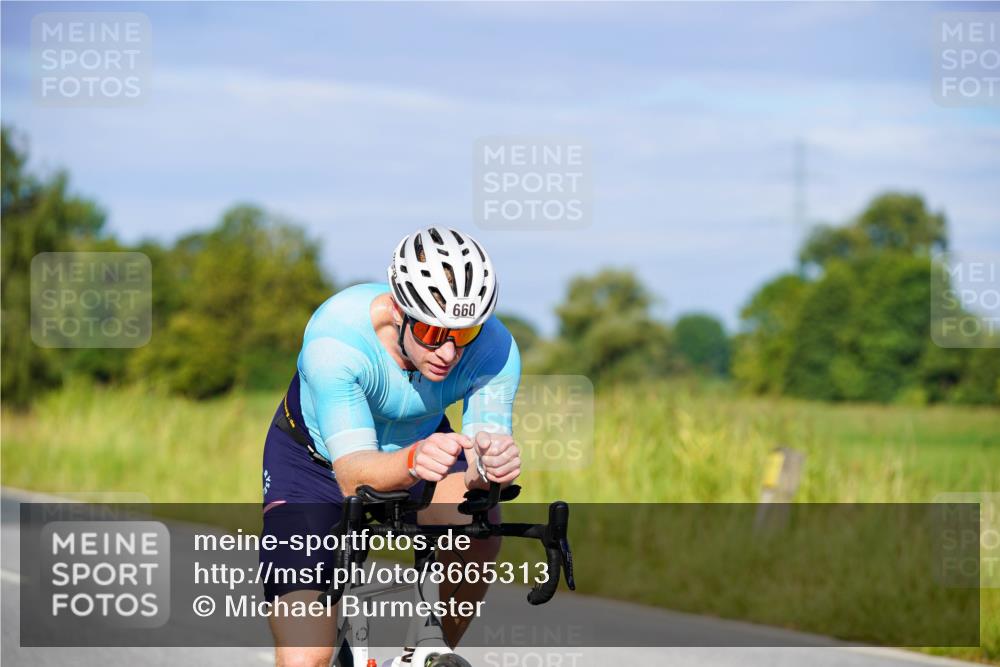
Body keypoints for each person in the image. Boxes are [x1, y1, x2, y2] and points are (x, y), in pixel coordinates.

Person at [260, 226, 522, 667]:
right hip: (315, 467)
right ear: (398, 311)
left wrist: (491, 466)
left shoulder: (495, 348)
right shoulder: (336, 340)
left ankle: (427, 655)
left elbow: (480, 460)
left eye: (465, 332)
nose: (449, 352)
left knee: (480, 522)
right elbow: (353, 477)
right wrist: (415, 459)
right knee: (307, 656)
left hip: (420, 452)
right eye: (432, 331)